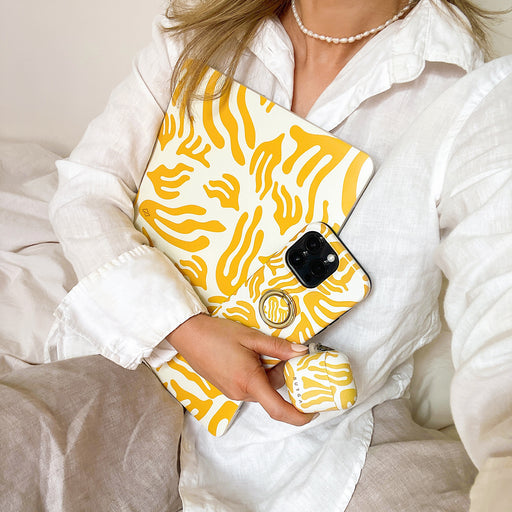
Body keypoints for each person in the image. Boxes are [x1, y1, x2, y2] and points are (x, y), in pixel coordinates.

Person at [1, 0, 511, 510]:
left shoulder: (468, 95)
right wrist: (187, 329)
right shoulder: (196, 24)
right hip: (134, 363)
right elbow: (88, 190)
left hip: (320, 441)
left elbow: (499, 285)